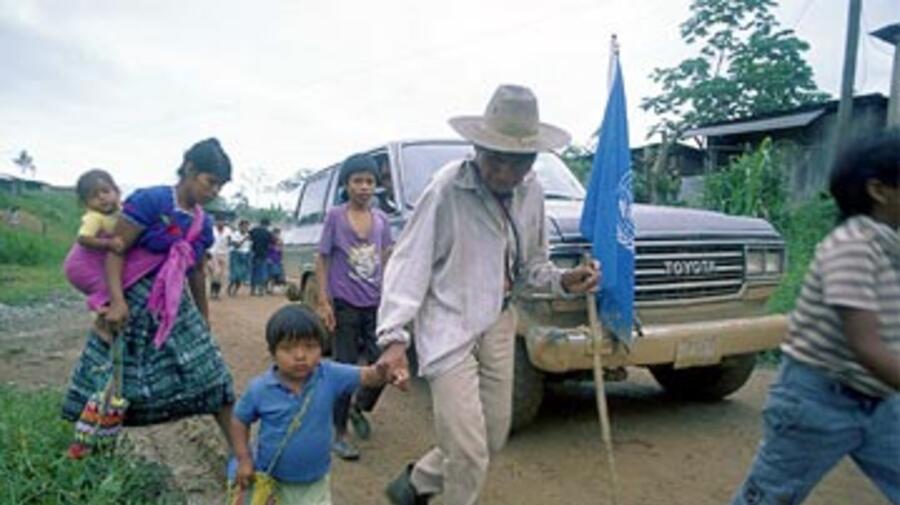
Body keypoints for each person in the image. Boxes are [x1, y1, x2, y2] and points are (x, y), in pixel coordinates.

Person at [376, 85, 600, 505]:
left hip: (498, 321)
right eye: (495, 157)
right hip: (448, 325)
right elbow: (408, 264)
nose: (504, 172)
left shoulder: (531, 193)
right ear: (477, 148)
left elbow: (532, 268)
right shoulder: (447, 189)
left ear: (532, 159)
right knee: (468, 453)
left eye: (518, 162)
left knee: (492, 436)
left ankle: (418, 481)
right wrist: (394, 337)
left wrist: (566, 280)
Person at [730, 130, 900, 505]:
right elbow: (866, 345)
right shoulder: (851, 247)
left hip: (880, 397)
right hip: (816, 401)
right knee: (769, 497)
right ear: (879, 190)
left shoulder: (889, 245)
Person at [62, 138, 237, 454]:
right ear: (189, 169)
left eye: (220, 186)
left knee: (213, 374)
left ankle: (243, 458)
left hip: (173, 304)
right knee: (109, 379)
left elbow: (196, 272)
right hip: (132, 298)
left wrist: (204, 318)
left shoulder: (203, 224)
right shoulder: (152, 201)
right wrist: (117, 302)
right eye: (210, 182)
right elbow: (117, 251)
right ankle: (86, 456)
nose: (214, 191)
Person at [229, 304, 389, 504]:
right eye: (288, 348)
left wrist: (386, 370)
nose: (300, 356)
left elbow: (367, 376)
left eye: (310, 346)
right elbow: (239, 420)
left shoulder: (329, 375)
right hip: (273, 483)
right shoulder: (260, 389)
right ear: (273, 352)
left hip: (315, 483)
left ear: (322, 348)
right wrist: (244, 459)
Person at [315, 153, 394, 461]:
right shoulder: (335, 217)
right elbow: (323, 258)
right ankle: (339, 433)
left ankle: (359, 407)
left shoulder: (382, 220)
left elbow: (387, 258)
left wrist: (391, 299)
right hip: (345, 304)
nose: (364, 187)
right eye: (357, 181)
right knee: (345, 366)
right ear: (346, 185)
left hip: (375, 305)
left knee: (383, 364)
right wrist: (324, 301)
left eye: (369, 181)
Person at [62, 169, 125, 335]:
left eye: (106, 191)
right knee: (108, 289)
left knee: (111, 290)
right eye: (94, 196)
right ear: (86, 203)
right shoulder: (94, 217)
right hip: (81, 266)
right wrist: (108, 243)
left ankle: (107, 324)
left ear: (117, 192)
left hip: (93, 264)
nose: (102, 198)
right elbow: (83, 238)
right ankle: (100, 319)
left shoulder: (118, 213)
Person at [209, 217, 232, 299]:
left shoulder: (228, 230)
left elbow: (229, 241)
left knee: (222, 275)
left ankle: (217, 293)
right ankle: (212, 292)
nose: (220, 223)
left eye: (222, 221)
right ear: (216, 222)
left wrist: (229, 242)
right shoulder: (212, 230)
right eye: (219, 221)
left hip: (224, 254)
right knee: (216, 273)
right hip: (213, 253)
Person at [249, 218, 273, 296]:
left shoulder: (254, 230)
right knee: (262, 272)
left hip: (254, 253)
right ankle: (260, 290)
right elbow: (271, 243)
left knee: (254, 272)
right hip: (263, 254)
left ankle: (252, 290)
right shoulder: (268, 233)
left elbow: (249, 238)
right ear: (267, 225)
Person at [228, 219, 251, 296]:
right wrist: (245, 239)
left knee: (241, 274)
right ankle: (230, 288)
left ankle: (235, 291)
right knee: (235, 274)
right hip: (236, 254)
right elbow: (236, 245)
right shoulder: (235, 234)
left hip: (245, 254)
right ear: (240, 226)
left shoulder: (248, 235)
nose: (245, 228)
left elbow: (248, 247)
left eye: (247, 226)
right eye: (244, 226)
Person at [267, 227, 286, 293]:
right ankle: (269, 288)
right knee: (271, 275)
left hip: (277, 260)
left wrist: (281, 260)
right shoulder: (269, 241)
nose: (277, 235)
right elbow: (267, 251)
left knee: (277, 275)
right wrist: (268, 258)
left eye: (278, 233)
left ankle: (273, 288)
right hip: (270, 259)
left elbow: (281, 252)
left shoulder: (280, 241)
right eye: (275, 233)